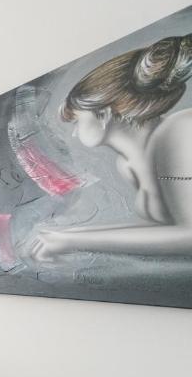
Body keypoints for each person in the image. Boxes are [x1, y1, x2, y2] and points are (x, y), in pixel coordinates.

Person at [32, 33, 192, 260]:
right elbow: (159, 230)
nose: (75, 132)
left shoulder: (181, 130)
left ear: (103, 114)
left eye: (77, 120)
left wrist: (73, 241)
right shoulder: (126, 165)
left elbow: (189, 235)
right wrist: (67, 234)